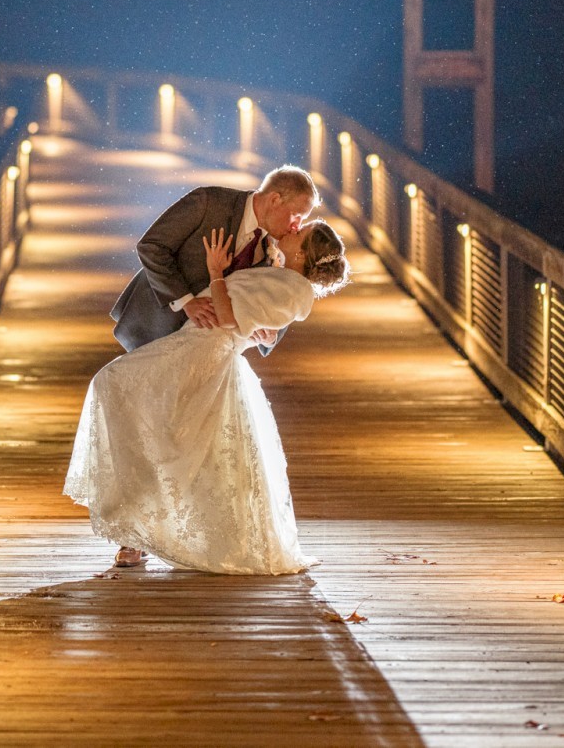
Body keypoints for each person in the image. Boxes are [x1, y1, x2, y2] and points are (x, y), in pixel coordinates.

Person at [64, 217, 350, 573]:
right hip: (197, 345)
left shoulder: (293, 288)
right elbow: (264, 326)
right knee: (158, 424)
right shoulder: (282, 276)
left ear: (304, 253)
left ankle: (140, 529)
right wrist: (259, 328)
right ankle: (138, 530)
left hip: (202, 351)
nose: (292, 231)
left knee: (116, 386)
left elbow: (230, 319)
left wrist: (216, 273)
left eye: (300, 234)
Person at [109, 166, 320, 355]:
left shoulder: (278, 246)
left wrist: (269, 336)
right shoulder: (208, 202)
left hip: (207, 352)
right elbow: (152, 247)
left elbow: (279, 296)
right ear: (274, 200)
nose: (296, 226)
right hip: (157, 327)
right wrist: (186, 301)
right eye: (296, 215)